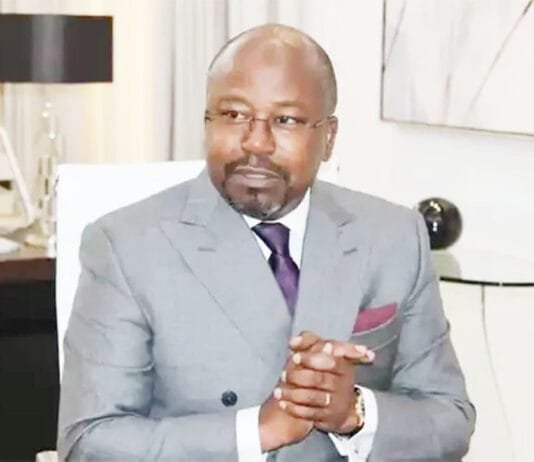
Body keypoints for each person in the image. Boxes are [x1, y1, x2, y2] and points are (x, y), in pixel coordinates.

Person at [57, 24, 475, 461]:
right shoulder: (126, 247)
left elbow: (450, 420)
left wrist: (354, 413)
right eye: (234, 115)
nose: (255, 142)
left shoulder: (393, 236)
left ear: (328, 138)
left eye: (285, 120)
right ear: (207, 123)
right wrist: (256, 431)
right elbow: (89, 442)